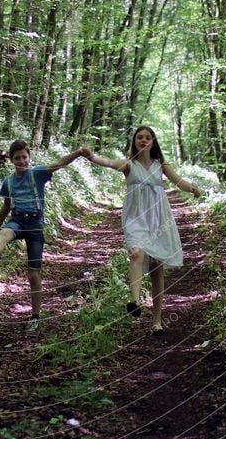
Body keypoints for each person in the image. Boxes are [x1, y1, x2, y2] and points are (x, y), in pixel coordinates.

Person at [82, 126, 201, 335]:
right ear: (134, 142)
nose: (143, 140)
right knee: (136, 253)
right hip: (135, 220)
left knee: (157, 271)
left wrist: (193, 188)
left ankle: (157, 322)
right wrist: (92, 157)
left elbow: (179, 181)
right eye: (139, 137)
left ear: (153, 142)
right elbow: (109, 163)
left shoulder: (161, 165)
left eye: (147, 137)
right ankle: (135, 301)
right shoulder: (129, 165)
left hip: (158, 221)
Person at [0, 139, 83, 336]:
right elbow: (7, 206)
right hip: (17, 220)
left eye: (24, 157)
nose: (21, 161)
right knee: (5, 233)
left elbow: (59, 163)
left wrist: (78, 152)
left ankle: (35, 317)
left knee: (34, 275)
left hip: (35, 226)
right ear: (11, 160)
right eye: (17, 158)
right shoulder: (8, 182)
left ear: (29, 158)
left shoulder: (38, 174)